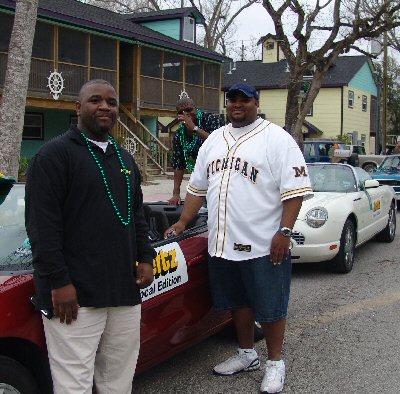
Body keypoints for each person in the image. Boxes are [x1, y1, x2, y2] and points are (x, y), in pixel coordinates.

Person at [164, 82, 312, 393]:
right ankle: (247, 354)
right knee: (237, 304)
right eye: (232, 100)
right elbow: (197, 189)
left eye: (244, 100)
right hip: (223, 242)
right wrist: (182, 223)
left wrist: (284, 231)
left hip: (262, 243)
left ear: (256, 103)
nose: (237, 105)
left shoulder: (276, 139)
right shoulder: (215, 139)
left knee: (270, 306)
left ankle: (274, 363)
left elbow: (294, 192)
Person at [25, 79, 156, 394]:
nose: (105, 107)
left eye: (111, 102)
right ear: (78, 107)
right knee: (74, 385)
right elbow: (42, 228)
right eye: (95, 100)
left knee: (118, 380)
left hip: (123, 291)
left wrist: (146, 257)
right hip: (75, 296)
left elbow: (136, 215)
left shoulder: (124, 160)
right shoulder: (53, 156)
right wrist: (59, 281)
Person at [168, 96, 224, 205]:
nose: (186, 114)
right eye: (181, 112)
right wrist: (176, 193)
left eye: (189, 110)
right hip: (199, 179)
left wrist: (194, 128)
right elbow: (178, 165)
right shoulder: (180, 134)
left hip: (220, 175)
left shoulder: (212, 119)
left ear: (196, 109)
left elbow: (218, 143)